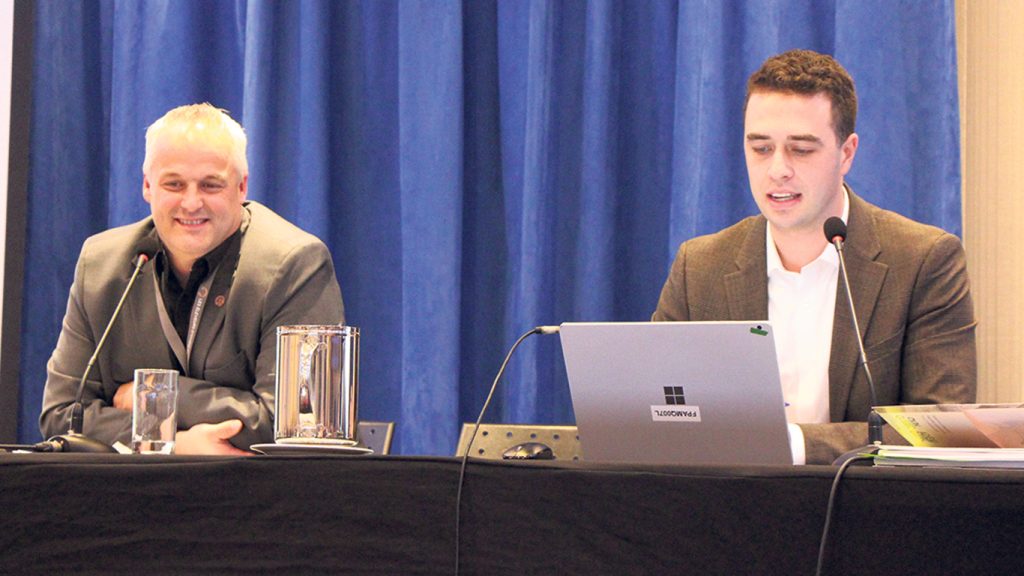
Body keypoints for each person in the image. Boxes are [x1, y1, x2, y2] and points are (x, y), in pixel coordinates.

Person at [652, 49, 976, 464]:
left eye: (801, 150)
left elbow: (940, 428)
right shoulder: (698, 266)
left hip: (867, 515)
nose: (778, 170)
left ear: (847, 153)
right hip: (728, 514)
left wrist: (796, 445)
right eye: (761, 148)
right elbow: (658, 414)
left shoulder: (924, 260)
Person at [39, 103, 345, 455]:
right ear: (147, 186)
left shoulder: (297, 265)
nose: (191, 202)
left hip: (253, 498)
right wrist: (173, 444)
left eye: (211, 185)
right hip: (132, 500)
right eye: (174, 184)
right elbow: (62, 417)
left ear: (242, 186)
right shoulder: (101, 264)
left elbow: (298, 424)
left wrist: (147, 395)